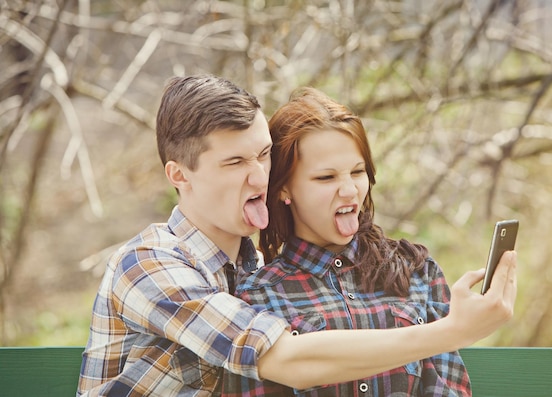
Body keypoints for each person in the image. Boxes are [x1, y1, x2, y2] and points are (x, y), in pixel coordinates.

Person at [77, 75, 517, 396]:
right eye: (234, 163)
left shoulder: (247, 271)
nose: (259, 177)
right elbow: (286, 360)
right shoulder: (150, 265)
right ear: (179, 175)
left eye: (264, 155)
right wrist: (454, 329)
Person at [221, 87, 515, 396]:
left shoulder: (416, 271)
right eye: (326, 178)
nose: (349, 190)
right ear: (283, 189)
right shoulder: (257, 295)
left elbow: (448, 388)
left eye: (357, 172)